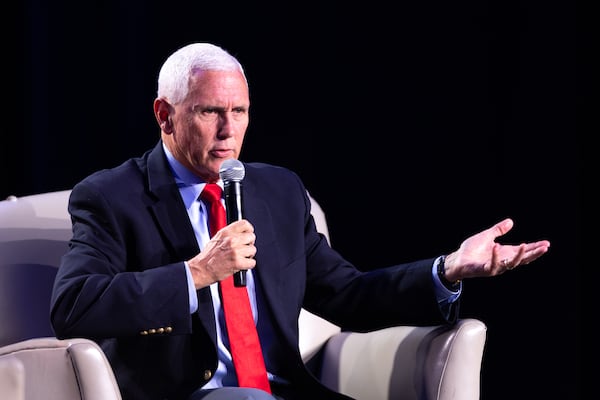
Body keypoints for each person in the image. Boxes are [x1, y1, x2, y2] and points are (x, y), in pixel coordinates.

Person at [50, 42, 550, 400]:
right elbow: (74, 307)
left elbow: (347, 295)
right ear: (165, 115)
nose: (229, 130)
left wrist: (446, 270)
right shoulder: (111, 197)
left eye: (240, 111)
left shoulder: (277, 191)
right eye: (210, 112)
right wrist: (198, 273)